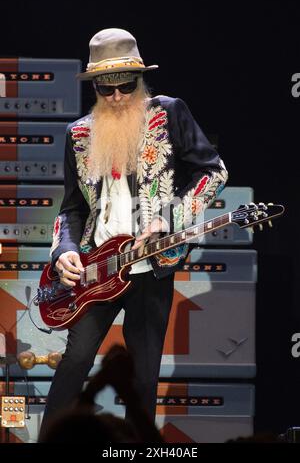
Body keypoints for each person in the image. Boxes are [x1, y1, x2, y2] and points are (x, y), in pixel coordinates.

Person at [39, 28, 228, 434]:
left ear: (139, 80)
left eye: (126, 86)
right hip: (97, 266)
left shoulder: (169, 112)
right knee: (74, 362)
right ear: (96, 89)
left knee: (143, 377)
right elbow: (71, 208)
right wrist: (64, 251)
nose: (119, 97)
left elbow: (214, 171)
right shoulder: (78, 134)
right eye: (107, 91)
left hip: (151, 264)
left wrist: (172, 215)